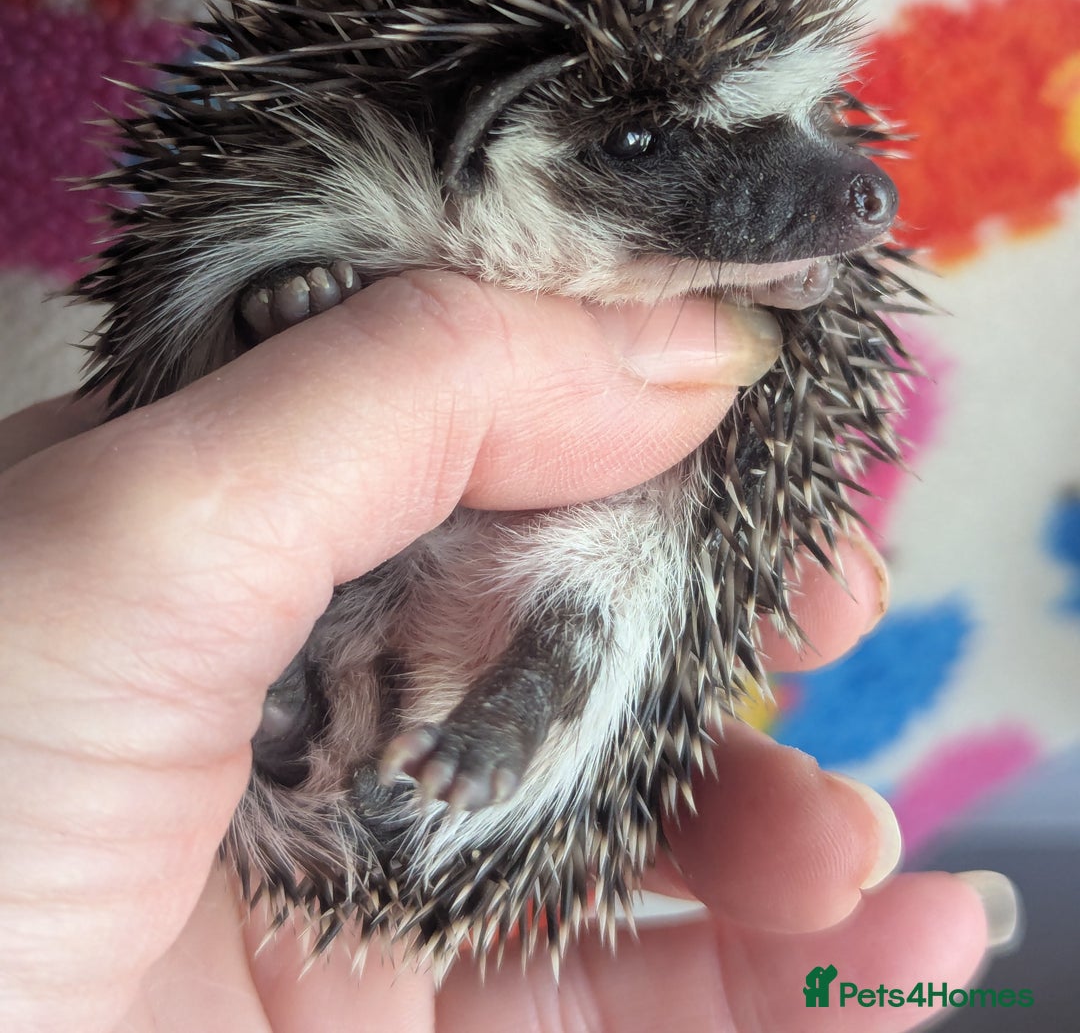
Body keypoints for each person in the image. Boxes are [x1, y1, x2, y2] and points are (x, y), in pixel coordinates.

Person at [0, 273, 1014, 1031]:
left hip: (487, 601)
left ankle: (437, 712)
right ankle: (338, 713)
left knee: (618, 570)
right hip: (317, 641)